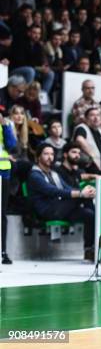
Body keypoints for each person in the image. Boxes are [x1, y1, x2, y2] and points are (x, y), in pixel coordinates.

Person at [27, 144, 96, 260]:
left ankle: (89, 249)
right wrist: (81, 194)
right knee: (84, 196)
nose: (50, 157)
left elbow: (67, 188)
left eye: (52, 154)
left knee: (90, 215)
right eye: (46, 154)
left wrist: (83, 192)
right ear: (38, 157)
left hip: (61, 209)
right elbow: (53, 191)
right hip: (47, 211)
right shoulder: (34, 175)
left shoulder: (54, 174)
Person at [0, 112, 18, 264]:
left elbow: (12, 146)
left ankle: (2, 251)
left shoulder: (6, 124)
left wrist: (5, 126)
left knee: (1, 214)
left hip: (3, 173)